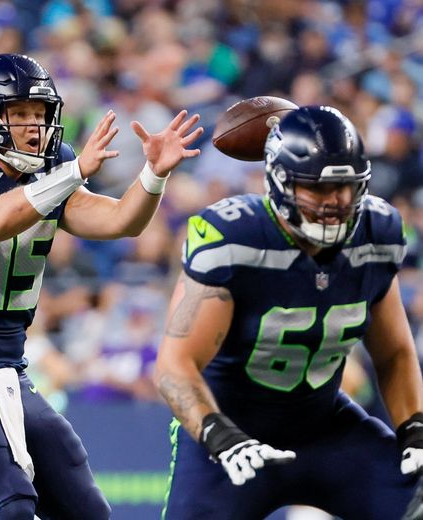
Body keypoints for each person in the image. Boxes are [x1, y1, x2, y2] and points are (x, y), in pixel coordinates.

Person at [0, 53, 202, 519]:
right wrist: (74, 173)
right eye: (19, 112)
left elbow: (120, 220)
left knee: (87, 511)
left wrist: (153, 175)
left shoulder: (53, 169)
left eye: (40, 113)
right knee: (13, 509)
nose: (33, 125)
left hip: (9, 369)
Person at [154, 105, 423, 519]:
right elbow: (175, 365)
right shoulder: (235, 237)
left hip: (327, 429)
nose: (334, 203)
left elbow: (395, 353)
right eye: (317, 188)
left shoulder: (376, 234)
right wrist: (219, 435)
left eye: (345, 188)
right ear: (279, 183)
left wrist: (415, 428)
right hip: (232, 435)